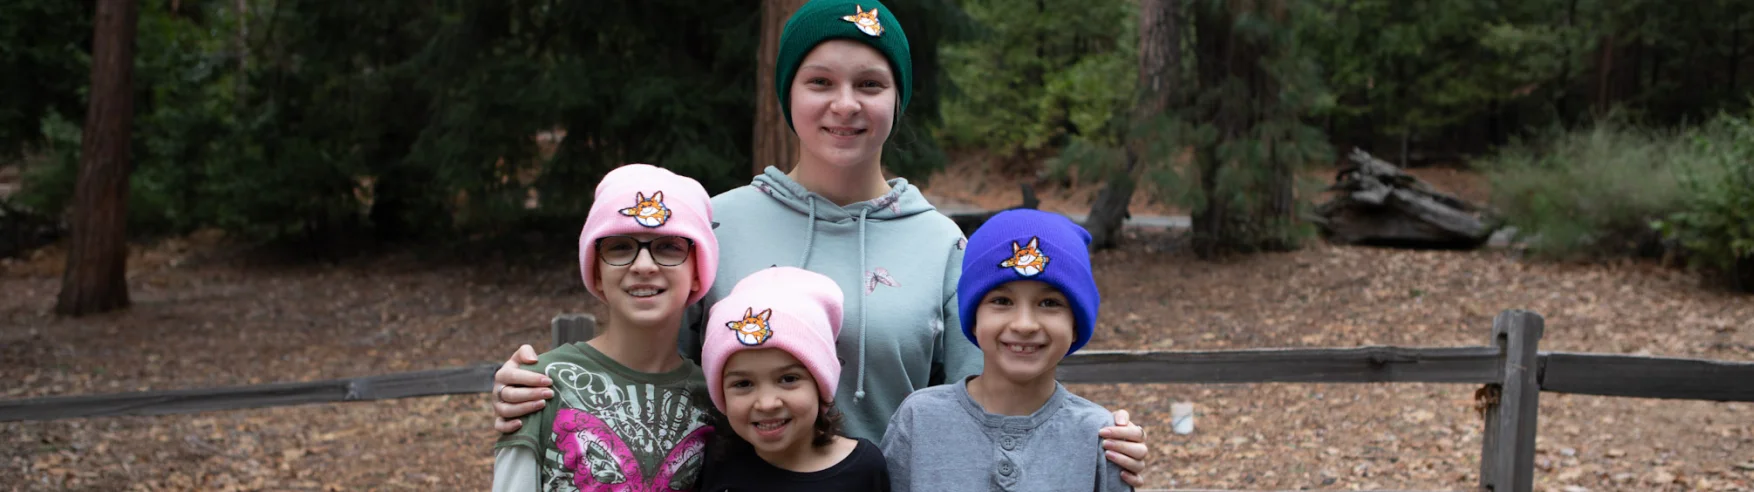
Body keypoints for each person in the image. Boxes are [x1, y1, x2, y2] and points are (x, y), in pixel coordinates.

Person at [491, 0, 1151, 484]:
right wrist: (549, 393)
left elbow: (994, 405)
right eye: (820, 82)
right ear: (788, 96)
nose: (846, 105)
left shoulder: (942, 243)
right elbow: (653, 364)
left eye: (870, 84)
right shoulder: (714, 224)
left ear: (898, 98)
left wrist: (1095, 440)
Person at [491, 164, 719, 491]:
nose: (643, 265)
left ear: (698, 270)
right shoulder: (541, 386)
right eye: (620, 247)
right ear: (596, 270)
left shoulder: (717, 400)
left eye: (669, 246)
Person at [882, 209, 1130, 492]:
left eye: (1049, 303)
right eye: (1001, 300)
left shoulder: (1101, 436)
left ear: (1076, 324)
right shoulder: (919, 419)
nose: (1024, 324)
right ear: (973, 319)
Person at [696, 266, 890, 491]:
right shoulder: (717, 459)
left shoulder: (863, 470)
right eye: (743, 384)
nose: (767, 403)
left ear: (821, 384)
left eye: (788, 379)